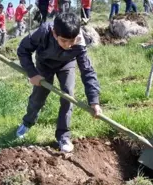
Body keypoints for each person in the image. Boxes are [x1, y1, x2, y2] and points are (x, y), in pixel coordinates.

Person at [16, 12, 102, 153]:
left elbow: (87, 71)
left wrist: (94, 100)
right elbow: (23, 50)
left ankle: (63, 136)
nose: (68, 45)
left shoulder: (79, 43)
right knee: (38, 97)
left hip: (66, 64)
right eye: (63, 41)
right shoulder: (44, 31)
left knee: (68, 96)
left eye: (71, 41)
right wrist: (32, 73)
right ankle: (27, 122)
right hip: (44, 64)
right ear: (54, 33)